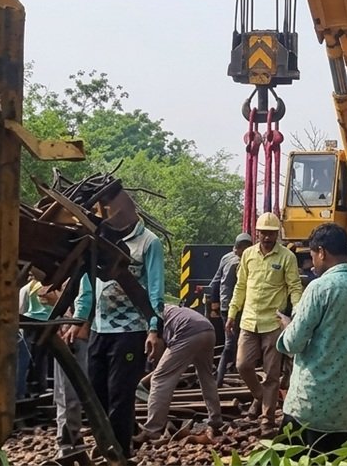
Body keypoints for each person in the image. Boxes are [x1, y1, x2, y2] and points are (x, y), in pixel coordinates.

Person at [277, 223, 347, 453]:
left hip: (309, 407)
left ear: (322, 252)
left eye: (312, 255)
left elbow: (293, 343)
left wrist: (287, 326)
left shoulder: (319, 288)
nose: (313, 262)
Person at [83, 188, 165, 458]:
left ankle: (119, 452)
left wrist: (154, 328)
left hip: (131, 330)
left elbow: (155, 289)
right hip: (100, 328)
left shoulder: (149, 242)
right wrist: (81, 318)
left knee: (121, 393)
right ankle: (104, 443)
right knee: (96, 392)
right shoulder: (100, 238)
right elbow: (86, 281)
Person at [226, 212, 303, 431]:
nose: (267, 238)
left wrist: (297, 313)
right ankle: (261, 396)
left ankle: (267, 419)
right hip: (249, 320)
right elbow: (240, 286)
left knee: (271, 373)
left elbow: (294, 287)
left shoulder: (287, 257)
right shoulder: (248, 255)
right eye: (263, 233)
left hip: (273, 323)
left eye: (271, 234)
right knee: (242, 365)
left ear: (277, 234)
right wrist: (232, 313)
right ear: (257, 233)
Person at [137, 305, 222, 442]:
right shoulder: (168, 309)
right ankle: (215, 419)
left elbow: (158, 343)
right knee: (206, 376)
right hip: (208, 330)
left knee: (160, 378)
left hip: (188, 331)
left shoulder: (150, 316)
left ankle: (152, 429)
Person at [55, 273, 94, 457]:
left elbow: (85, 298)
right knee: (64, 390)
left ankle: (67, 437)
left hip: (74, 334)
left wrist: (76, 323)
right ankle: (70, 436)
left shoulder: (79, 274)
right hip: (66, 332)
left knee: (68, 390)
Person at [211, 232, 253, 387]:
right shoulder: (238, 261)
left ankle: (232, 372)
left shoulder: (228, 258)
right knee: (231, 344)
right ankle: (219, 379)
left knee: (237, 342)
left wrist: (215, 302)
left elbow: (216, 281)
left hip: (236, 307)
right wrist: (215, 303)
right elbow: (217, 281)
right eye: (244, 248)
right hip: (231, 307)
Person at [16, 272, 57, 400]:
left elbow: (21, 308)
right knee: (41, 357)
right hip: (46, 323)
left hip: (30, 324)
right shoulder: (52, 286)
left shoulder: (28, 288)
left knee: (29, 357)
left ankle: (30, 386)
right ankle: (40, 385)